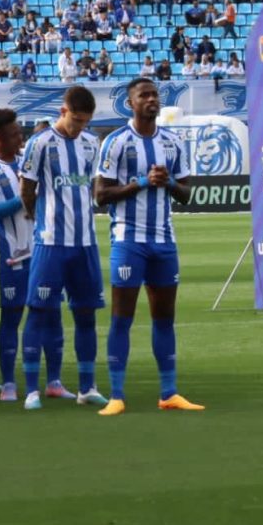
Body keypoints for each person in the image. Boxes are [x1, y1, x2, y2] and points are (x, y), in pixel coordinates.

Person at [94, 78, 204, 415]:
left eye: (155, 95)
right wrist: (142, 182)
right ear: (131, 103)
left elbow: (187, 193)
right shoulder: (116, 142)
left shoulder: (172, 142)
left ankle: (169, 392)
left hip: (164, 241)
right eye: (144, 95)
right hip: (129, 241)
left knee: (164, 319)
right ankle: (116, 395)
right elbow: (100, 195)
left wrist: (167, 182)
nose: (152, 100)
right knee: (122, 318)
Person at [19, 85, 108, 410]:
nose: (79, 127)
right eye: (76, 120)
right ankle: (31, 390)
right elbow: (27, 187)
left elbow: (92, 186)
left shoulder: (91, 143)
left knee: (86, 315)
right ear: (63, 111)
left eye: (85, 121)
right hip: (51, 244)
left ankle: (87, 387)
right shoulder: (40, 143)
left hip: (85, 244)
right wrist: (34, 218)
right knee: (39, 312)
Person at [0, 108, 62, 402]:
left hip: (45, 250)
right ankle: (9, 383)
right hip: (13, 254)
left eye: (20, 133)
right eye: (13, 134)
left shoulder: (29, 162)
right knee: (11, 317)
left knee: (51, 315)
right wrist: (20, 199)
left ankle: (54, 381)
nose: (20, 138)